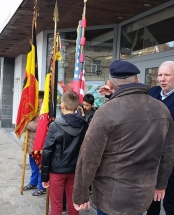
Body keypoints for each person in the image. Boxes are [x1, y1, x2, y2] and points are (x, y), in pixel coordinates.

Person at [72, 60, 174, 215]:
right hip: (142, 196)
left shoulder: (105, 112)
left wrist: (80, 194)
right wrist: (161, 184)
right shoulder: (162, 109)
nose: (162, 78)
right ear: (138, 80)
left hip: (111, 199)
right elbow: (168, 153)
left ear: (110, 84)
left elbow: (88, 158)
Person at [41, 91, 88, 215]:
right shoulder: (84, 125)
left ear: (62, 106)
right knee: (74, 207)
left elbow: (47, 152)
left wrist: (44, 176)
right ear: (77, 108)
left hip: (57, 171)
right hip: (75, 170)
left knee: (56, 208)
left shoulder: (55, 125)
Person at [146, 61, 174, 215]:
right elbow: (135, 104)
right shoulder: (153, 92)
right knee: (152, 200)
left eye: (167, 75)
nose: (162, 79)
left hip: (171, 159)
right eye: (160, 75)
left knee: (170, 201)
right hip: (152, 157)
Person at [23, 91, 46, 196]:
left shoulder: (44, 112)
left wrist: (27, 123)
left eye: (41, 99)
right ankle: (33, 183)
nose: (40, 101)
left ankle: (41, 186)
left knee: (40, 165)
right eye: (38, 99)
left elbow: (39, 126)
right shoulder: (32, 111)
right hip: (30, 143)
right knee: (33, 165)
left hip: (39, 143)